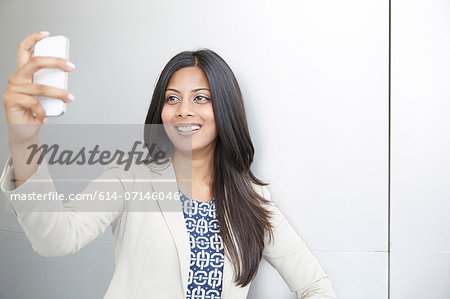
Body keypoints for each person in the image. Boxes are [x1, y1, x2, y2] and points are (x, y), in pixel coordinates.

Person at [1, 31, 337, 299]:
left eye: (201, 98)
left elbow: (315, 288)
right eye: (171, 98)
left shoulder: (253, 204)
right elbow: (55, 240)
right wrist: (22, 140)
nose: (183, 110)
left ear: (225, 110)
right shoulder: (129, 179)